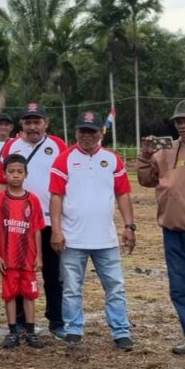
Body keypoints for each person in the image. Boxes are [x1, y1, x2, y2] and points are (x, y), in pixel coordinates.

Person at [49, 111, 136, 351]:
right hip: (73, 238)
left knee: (115, 287)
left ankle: (121, 330)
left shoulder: (113, 160)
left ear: (100, 132)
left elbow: (122, 194)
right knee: (71, 288)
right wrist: (56, 230)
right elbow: (56, 197)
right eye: (82, 131)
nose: (87, 135)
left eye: (92, 131)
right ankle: (74, 329)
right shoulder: (63, 159)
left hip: (105, 239)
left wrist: (129, 226)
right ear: (76, 132)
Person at [0, 103, 67, 338]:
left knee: (53, 274)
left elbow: (69, 183)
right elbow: (1, 182)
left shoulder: (58, 145)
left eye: (37, 121)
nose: (33, 126)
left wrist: (62, 223)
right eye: (28, 122)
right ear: (21, 125)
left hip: (50, 222)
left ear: (46, 123)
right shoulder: (11, 146)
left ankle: (56, 320)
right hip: (18, 225)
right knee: (16, 271)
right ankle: (19, 323)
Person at [137, 99, 185, 355]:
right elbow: (146, 180)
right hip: (173, 230)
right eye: (179, 121)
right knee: (179, 285)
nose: (182, 125)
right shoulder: (166, 150)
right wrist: (146, 155)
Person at [0, 155, 45, 349]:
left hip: (28, 258)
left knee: (30, 294)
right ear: (4, 174)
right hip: (8, 257)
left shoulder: (33, 200)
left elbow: (37, 229)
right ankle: (13, 331)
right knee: (10, 295)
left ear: (26, 174)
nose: (15, 176)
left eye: (19, 172)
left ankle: (30, 331)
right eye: (11, 172)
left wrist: (38, 255)